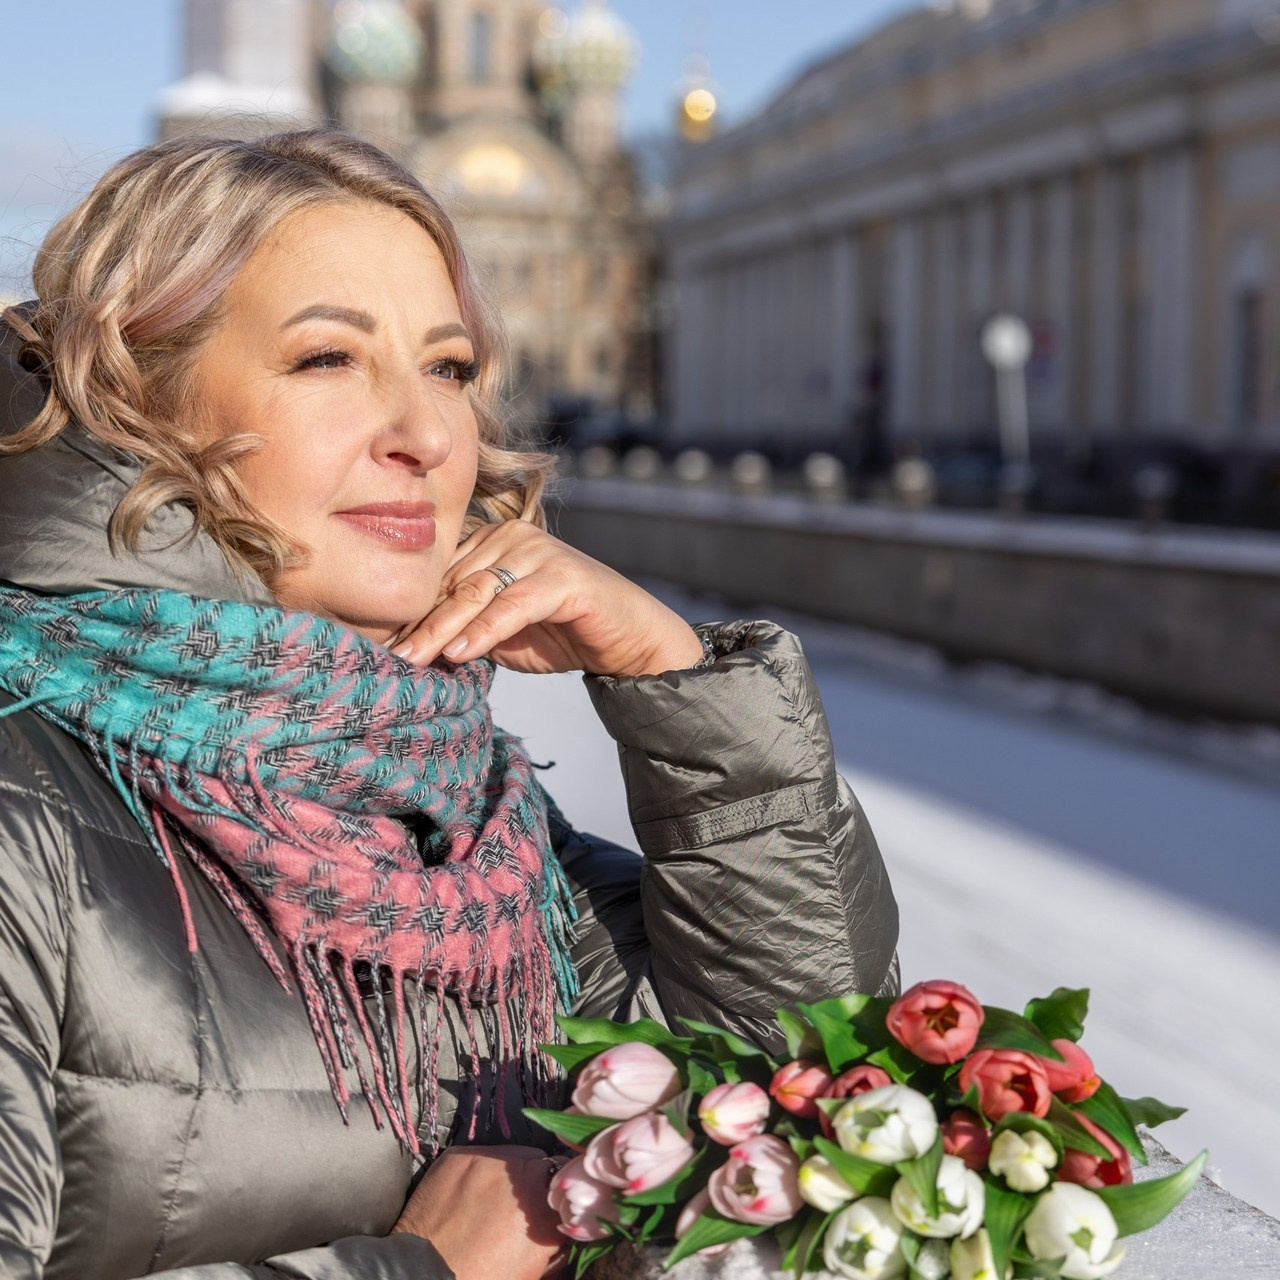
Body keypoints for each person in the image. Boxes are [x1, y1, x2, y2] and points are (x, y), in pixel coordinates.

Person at [0, 130, 898, 1280]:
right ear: (138, 399)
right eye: (327, 358)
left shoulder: (462, 812)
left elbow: (800, 1090)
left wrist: (680, 689)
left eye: (450, 368)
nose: (425, 435)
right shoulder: (26, 790)